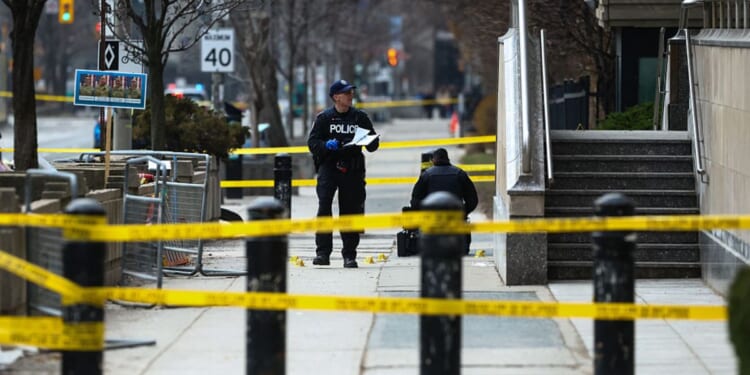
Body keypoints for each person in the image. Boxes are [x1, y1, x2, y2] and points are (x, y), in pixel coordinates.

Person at [307, 79, 380, 268]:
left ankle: (350, 255)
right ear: (336, 97)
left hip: (352, 169)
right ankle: (322, 253)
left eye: (351, 93)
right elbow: (312, 144)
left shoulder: (359, 118)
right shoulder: (324, 118)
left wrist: (369, 140)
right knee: (324, 209)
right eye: (346, 93)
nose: (350, 96)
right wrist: (325, 145)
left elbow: (373, 146)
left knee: (349, 211)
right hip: (329, 168)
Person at [410, 148, 478, 254]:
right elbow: (473, 200)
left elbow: (415, 201)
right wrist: (463, 212)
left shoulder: (426, 176)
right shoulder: (460, 174)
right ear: (448, 158)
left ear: (433, 160)